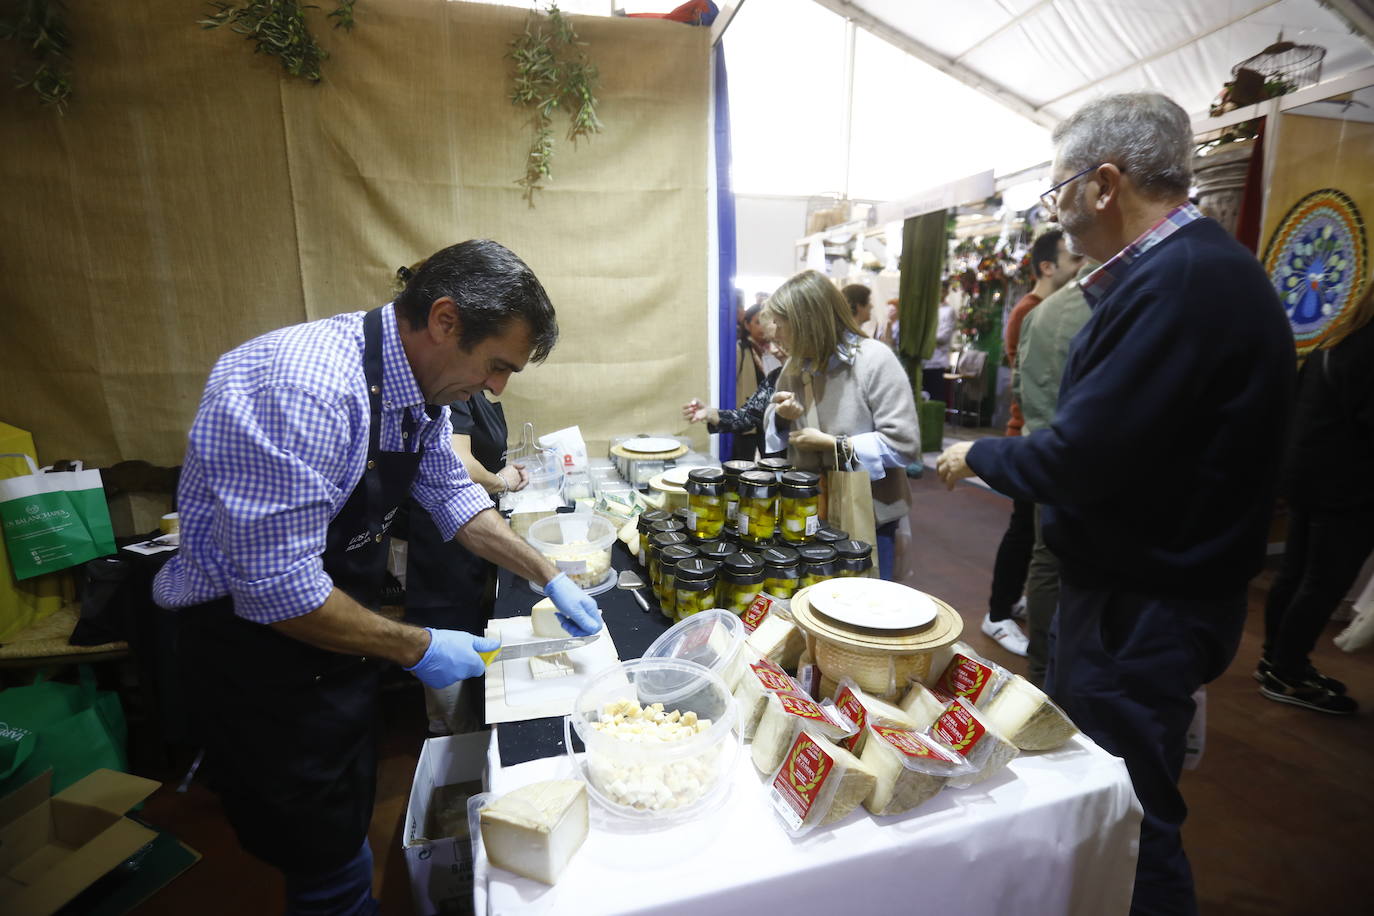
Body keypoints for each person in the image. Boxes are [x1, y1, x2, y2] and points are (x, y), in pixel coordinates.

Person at [154, 240, 604, 915]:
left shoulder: (417, 392)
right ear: (446, 320)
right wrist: (420, 646)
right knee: (321, 857)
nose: (497, 387)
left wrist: (548, 576)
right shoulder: (303, 388)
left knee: (345, 820)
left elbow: (454, 498)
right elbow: (280, 591)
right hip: (259, 658)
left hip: (334, 644)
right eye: (497, 366)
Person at [936, 93, 1294, 915]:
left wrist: (975, 454)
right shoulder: (1187, 271)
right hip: (1147, 594)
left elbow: (1080, 457)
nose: (1054, 213)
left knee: (1129, 817)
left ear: (1102, 185)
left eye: (1055, 189)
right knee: (1110, 796)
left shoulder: (1186, 282)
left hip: (1147, 608)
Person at [1258, 281, 1374, 715]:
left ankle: (1276, 660)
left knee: (1296, 572)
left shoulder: (1337, 337)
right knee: (1323, 581)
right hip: (1348, 487)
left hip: (1309, 476)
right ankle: (1288, 672)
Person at [766, 270, 921, 580]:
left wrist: (832, 445)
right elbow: (777, 440)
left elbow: (904, 447)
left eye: (781, 324)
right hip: (808, 517)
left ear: (807, 321)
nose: (775, 334)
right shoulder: (795, 368)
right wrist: (781, 419)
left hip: (870, 519)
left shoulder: (874, 361)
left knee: (868, 613)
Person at [980, 229, 1083, 657]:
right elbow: (1028, 384)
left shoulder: (1049, 309)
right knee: (1026, 533)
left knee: (1029, 532)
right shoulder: (1035, 311)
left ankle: (1008, 603)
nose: (1080, 266)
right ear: (1047, 266)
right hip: (1029, 435)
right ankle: (998, 612)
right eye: (1072, 258)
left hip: (1036, 436)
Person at [1012, 259, 1097, 685]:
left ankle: (1042, 665)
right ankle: (1059, 671)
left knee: (1045, 559)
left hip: (1042, 447)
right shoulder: (1108, 307)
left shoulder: (1042, 312)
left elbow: (1018, 384)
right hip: (1081, 459)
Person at [922, 293, 955, 400]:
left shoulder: (948, 311)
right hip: (922, 361)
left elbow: (943, 337)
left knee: (934, 398)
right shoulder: (926, 309)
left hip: (936, 361)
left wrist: (924, 337)